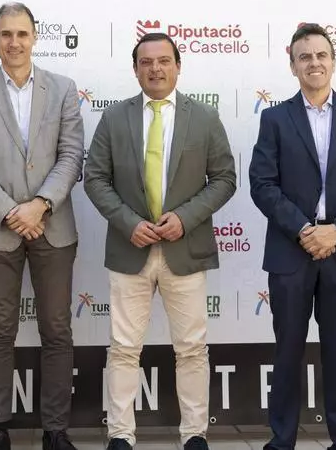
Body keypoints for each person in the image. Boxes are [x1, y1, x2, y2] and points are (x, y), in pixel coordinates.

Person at [83, 32, 237, 450]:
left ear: (178, 66)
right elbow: (94, 178)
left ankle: (194, 435)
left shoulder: (204, 117)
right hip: (129, 249)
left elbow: (225, 179)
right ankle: (120, 435)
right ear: (135, 70)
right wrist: (128, 222)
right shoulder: (113, 118)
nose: (155, 69)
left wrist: (185, 219)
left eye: (164, 60)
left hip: (185, 250)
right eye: (146, 62)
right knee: (123, 348)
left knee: (191, 348)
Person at [247, 23, 336, 450]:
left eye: (321, 55)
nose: (314, 63)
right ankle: (281, 441)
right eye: (304, 57)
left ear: (334, 62)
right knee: (287, 351)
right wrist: (305, 230)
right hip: (292, 251)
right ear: (293, 66)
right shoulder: (274, 118)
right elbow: (262, 184)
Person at [0, 2, 84, 450]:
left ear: (35, 37)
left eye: (22, 34)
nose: (14, 42)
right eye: (6, 34)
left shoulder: (63, 89)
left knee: (57, 330)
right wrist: (15, 212)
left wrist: (41, 206)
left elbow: (72, 155)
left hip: (54, 227)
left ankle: (55, 430)